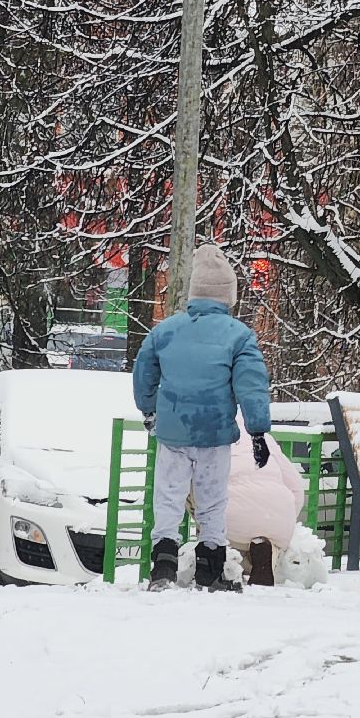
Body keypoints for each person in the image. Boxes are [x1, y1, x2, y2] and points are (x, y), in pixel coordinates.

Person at [133, 243, 272, 592]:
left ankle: (163, 567)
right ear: (228, 295)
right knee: (212, 502)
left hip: (173, 432)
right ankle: (210, 572)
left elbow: (143, 372)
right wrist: (257, 431)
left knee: (168, 497)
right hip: (213, 434)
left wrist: (148, 409)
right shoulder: (239, 336)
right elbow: (251, 385)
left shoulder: (164, 331)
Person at [225, 417, 307, 586]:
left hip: (230, 518)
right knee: (270, 540)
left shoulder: (210, 436)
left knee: (203, 499)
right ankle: (264, 555)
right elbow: (297, 486)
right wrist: (288, 518)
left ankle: (225, 557)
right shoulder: (264, 438)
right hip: (276, 517)